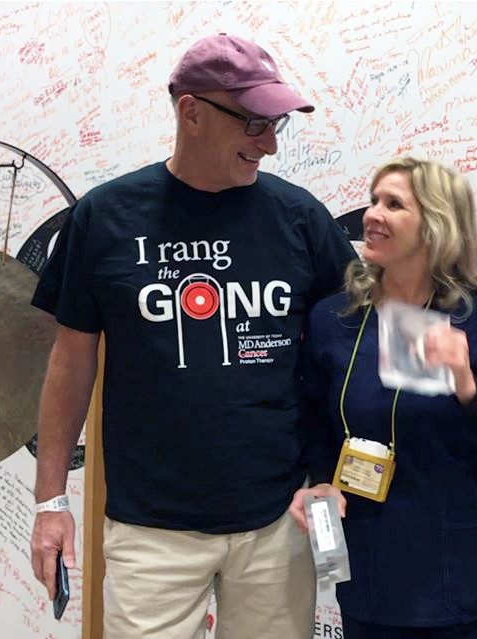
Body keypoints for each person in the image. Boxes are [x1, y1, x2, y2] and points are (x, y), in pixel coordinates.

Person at [29, 33, 357, 639]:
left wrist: (327, 471)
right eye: (256, 124)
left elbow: (349, 355)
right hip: (151, 530)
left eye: (277, 124)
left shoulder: (300, 219)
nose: (271, 144)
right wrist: (51, 502)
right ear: (192, 112)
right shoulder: (105, 218)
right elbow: (71, 363)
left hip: (276, 522)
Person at [289, 157, 477, 639]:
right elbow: (318, 426)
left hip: (473, 582)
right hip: (376, 580)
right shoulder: (334, 318)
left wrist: (466, 384)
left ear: (434, 226)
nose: (372, 214)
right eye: (373, 200)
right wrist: (321, 483)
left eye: (393, 204)